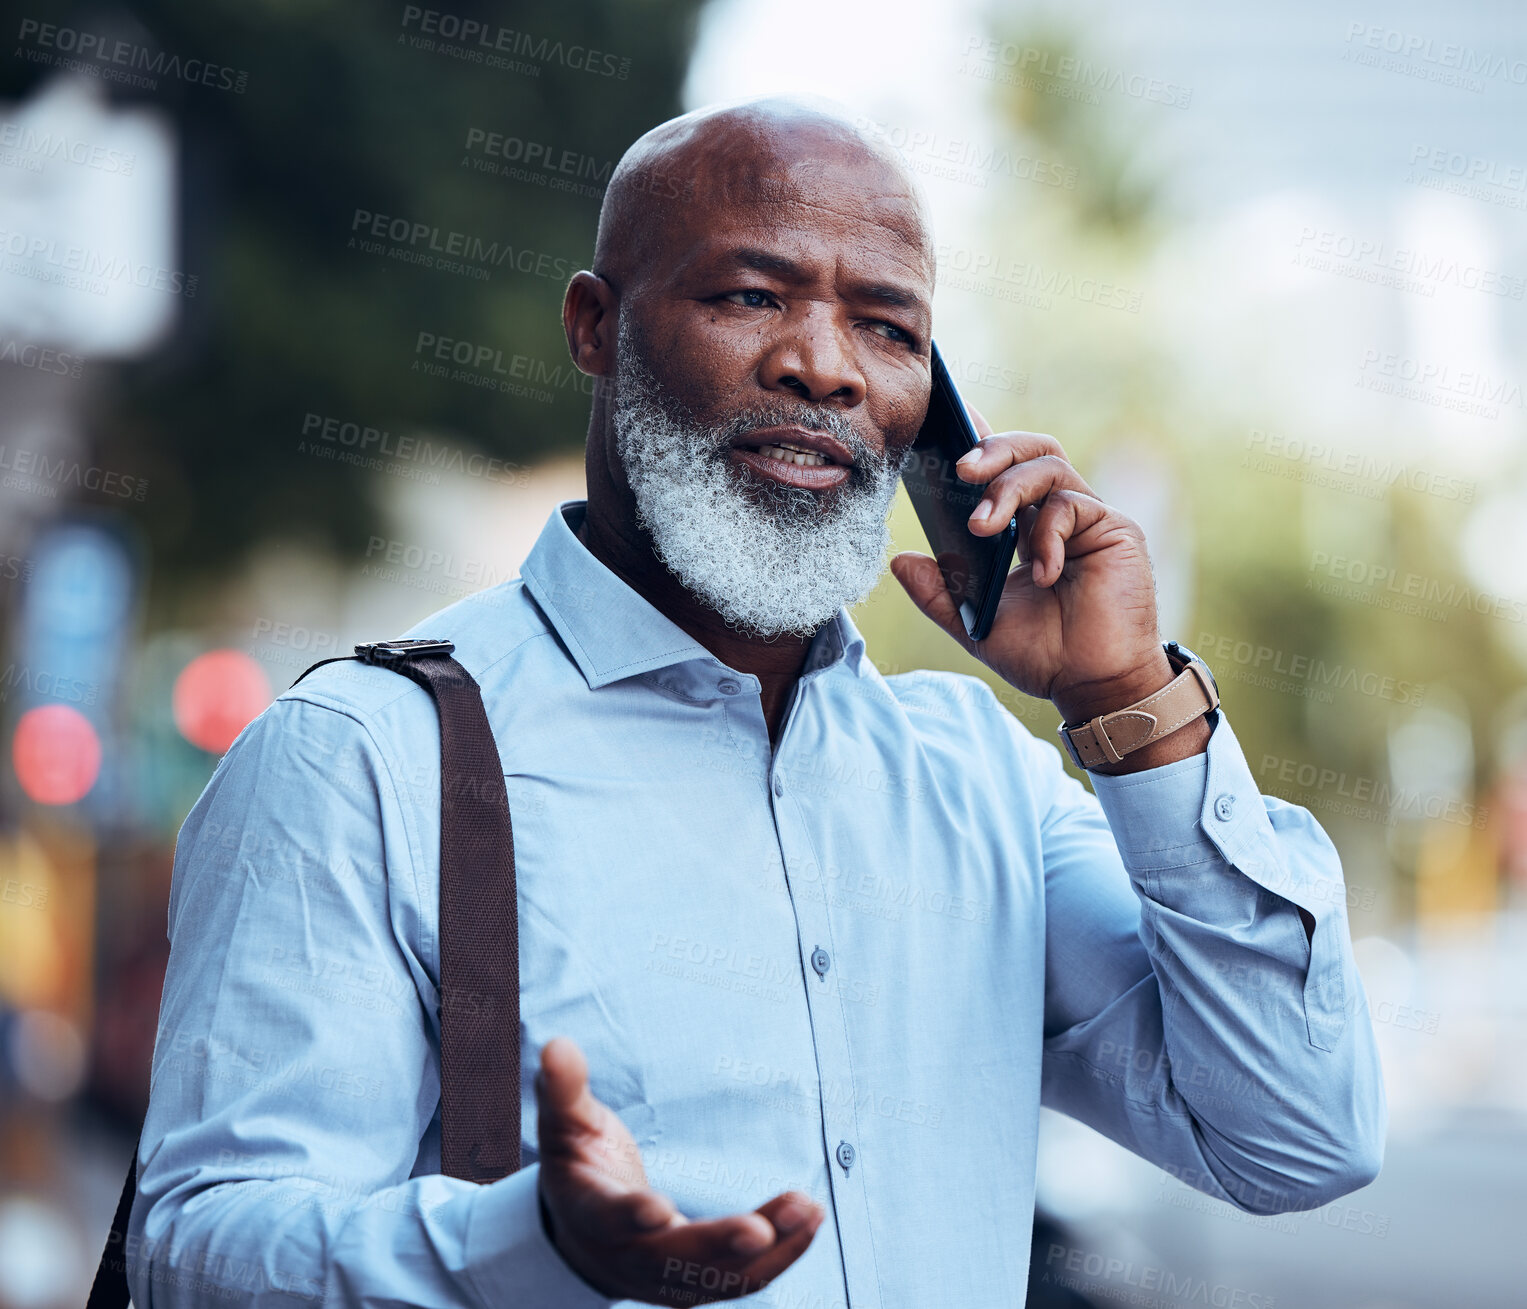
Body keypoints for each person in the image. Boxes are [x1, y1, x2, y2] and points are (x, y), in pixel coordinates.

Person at [127, 98, 1385, 1308]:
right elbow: (198, 1249)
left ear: (934, 413)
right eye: (751, 296)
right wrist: (534, 1247)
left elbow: (1293, 1136)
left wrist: (1130, 702)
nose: (824, 366)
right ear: (594, 326)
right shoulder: (363, 758)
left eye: (889, 329)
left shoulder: (977, 782)